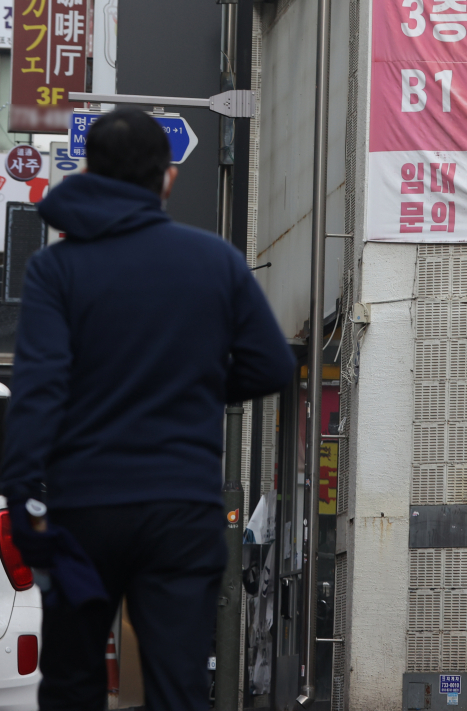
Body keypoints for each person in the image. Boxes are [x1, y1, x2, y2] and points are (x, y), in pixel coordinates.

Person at [0, 108, 296, 710]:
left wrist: (24, 490)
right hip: (181, 516)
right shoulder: (214, 261)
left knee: (73, 680)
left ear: (87, 171)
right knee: (177, 686)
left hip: (84, 515)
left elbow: (39, 389)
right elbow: (272, 366)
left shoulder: (56, 269)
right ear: (167, 178)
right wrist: (190, 389)